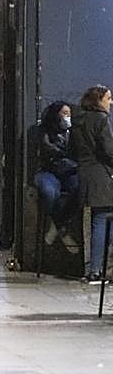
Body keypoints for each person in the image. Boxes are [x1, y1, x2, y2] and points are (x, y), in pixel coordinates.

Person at [70, 86, 113, 284]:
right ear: (98, 100)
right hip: (101, 175)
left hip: (84, 173)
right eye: (108, 98)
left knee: (96, 220)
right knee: (102, 220)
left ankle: (93, 269)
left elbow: (72, 150)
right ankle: (97, 271)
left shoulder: (78, 121)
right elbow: (108, 149)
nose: (110, 102)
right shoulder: (101, 120)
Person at [34, 101, 80, 251]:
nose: (68, 117)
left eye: (69, 114)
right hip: (48, 170)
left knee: (79, 188)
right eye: (64, 113)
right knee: (49, 192)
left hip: (69, 170)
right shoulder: (44, 131)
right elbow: (47, 150)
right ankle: (62, 228)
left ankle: (56, 225)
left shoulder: (73, 131)